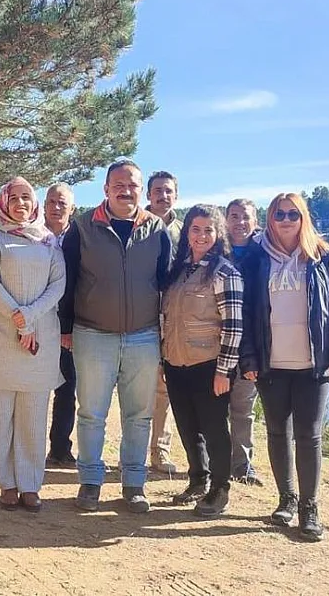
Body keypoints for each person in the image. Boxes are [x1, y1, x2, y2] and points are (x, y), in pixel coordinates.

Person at [240, 192, 329, 542]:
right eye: (279, 215)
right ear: (269, 219)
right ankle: (286, 500)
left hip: (312, 364)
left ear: (303, 218)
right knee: (277, 432)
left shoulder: (322, 258)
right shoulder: (257, 259)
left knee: (309, 435)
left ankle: (310, 507)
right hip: (271, 364)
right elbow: (246, 313)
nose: (286, 220)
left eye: (293, 214)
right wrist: (249, 358)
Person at [61, 159, 171, 513]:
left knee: (139, 416)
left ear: (142, 191)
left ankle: (134, 483)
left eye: (133, 185)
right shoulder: (82, 228)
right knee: (92, 412)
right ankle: (90, 482)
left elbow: (167, 286)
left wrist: (166, 337)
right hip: (93, 335)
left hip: (143, 337)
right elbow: (67, 281)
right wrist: (65, 329)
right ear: (106, 189)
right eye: (118, 184)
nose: (126, 190)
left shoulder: (157, 230)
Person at [0, 177, 65, 512]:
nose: (22, 204)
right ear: (4, 203)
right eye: (15, 198)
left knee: (32, 416)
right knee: (1, 417)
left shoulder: (49, 241)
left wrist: (28, 318)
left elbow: (58, 284)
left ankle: (30, 484)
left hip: (39, 342)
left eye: (27, 197)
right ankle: (7, 483)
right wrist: (17, 318)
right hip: (0, 339)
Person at [161, 205, 244, 518]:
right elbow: (165, 317)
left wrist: (225, 371)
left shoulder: (225, 272)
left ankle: (219, 489)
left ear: (218, 233)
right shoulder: (178, 271)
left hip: (210, 366)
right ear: (187, 233)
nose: (201, 236)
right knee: (187, 426)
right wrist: (163, 359)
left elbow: (234, 326)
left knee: (213, 429)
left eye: (208, 230)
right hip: (176, 362)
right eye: (195, 229)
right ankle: (198, 479)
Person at [145, 170, 182, 475]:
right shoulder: (137, 226)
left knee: (163, 389)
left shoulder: (186, 232)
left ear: (175, 195)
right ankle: (129, 452)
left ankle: (160, 451)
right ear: (149, 195)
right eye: (157, 190)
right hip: (139, 316)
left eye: (168, 191)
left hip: (174, 320)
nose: (162, 195)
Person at [226, 198, 264, 485]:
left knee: (242, 408)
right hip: (216, 343)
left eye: (245, 217)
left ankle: (242, 465)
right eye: (234, 216)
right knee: (211, 409)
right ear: (225, 220)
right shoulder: (215, 250)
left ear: (256, 220)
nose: (240, 222)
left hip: (252, 345)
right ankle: (210, 464)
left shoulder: (265, 254)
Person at [43, 182, 79, 467]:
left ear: (72, 209)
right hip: (36, 322)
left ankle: (59, 447)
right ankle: (26, 445)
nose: (56, 208)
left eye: (62, 203)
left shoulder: (81, 238)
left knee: (67, 388)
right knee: (33, 387)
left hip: (68, 326)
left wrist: (68, 327)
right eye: (51, 202)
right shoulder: (31, 235)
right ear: (43, 205)